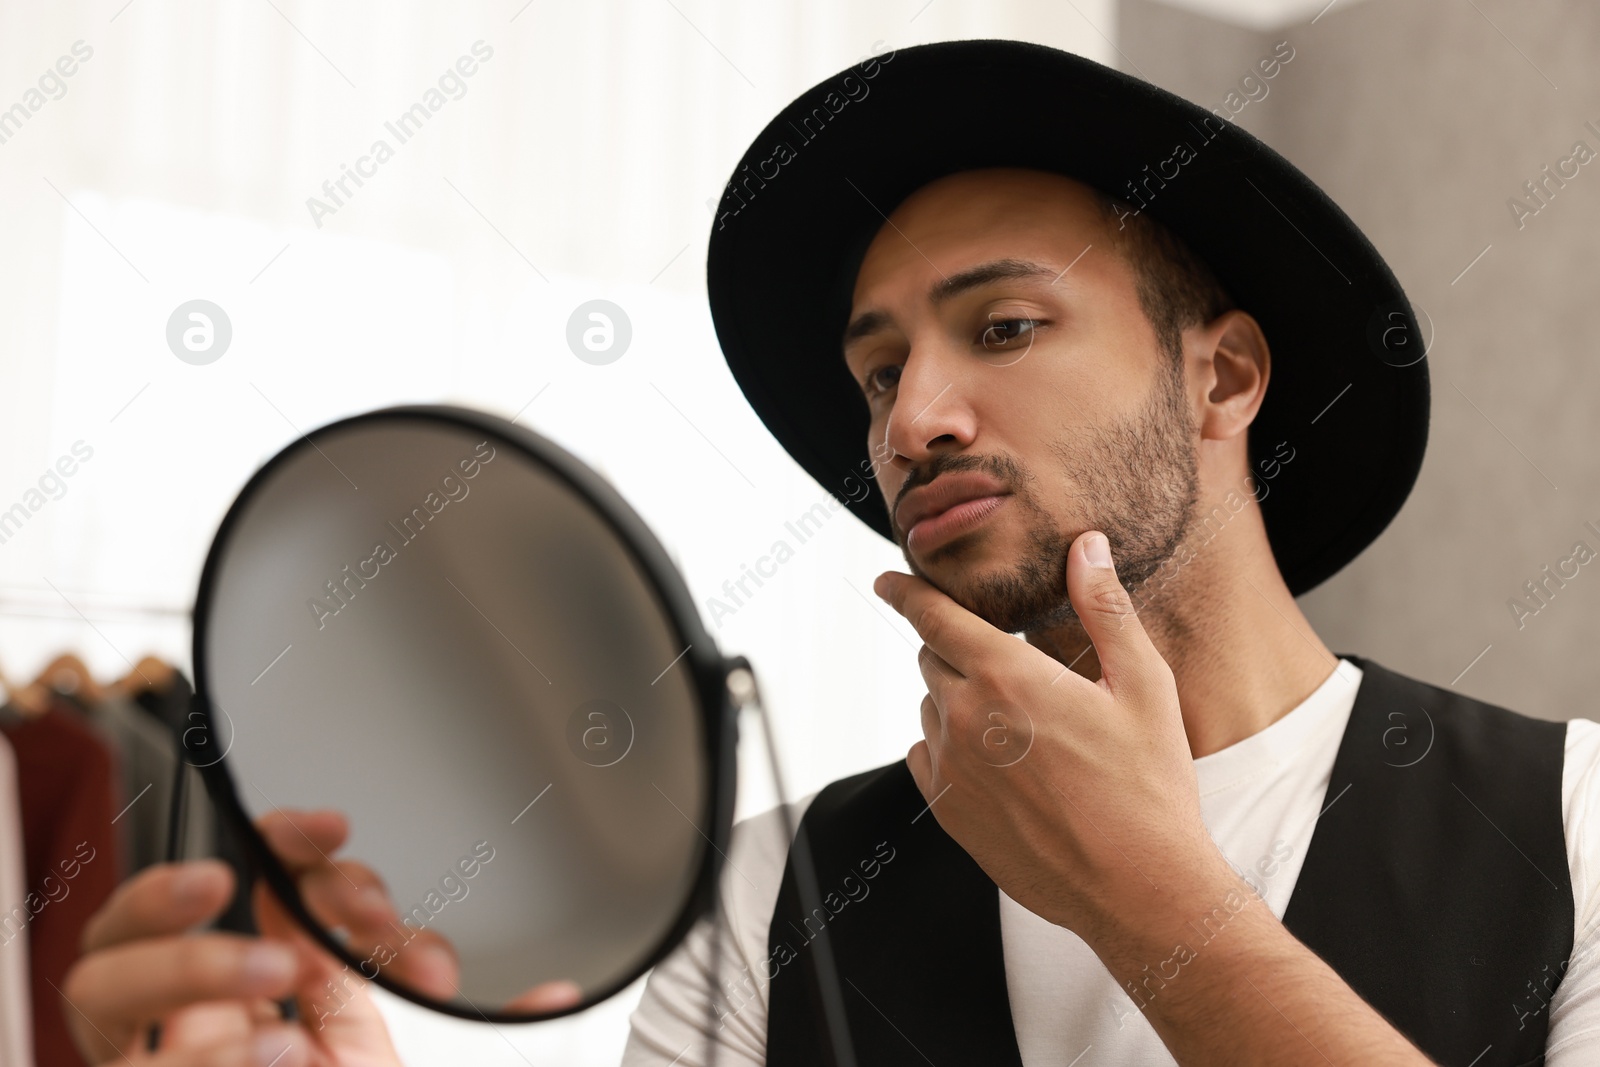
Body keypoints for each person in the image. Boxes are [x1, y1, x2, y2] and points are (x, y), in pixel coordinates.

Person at [619, 39, 1600, 1067]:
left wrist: (1147, 893)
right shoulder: (773, 885)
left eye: (1001, 326)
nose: (911, 421)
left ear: (1221, 377)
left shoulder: (1570, 821)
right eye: (877, 373)